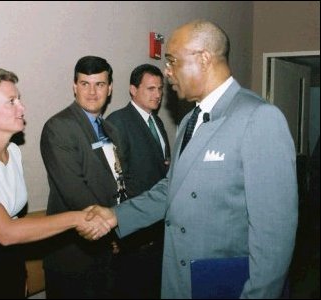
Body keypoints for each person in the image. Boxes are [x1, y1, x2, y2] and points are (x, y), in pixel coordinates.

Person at [81, 20, 298, 298]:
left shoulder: (258, 118)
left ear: (204, 58)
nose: (167, 72)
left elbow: (274, 238)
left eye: (172, 61)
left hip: (227, 285)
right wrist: (116, 215)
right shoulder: (188, 121)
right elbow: (172, 189)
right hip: (181, 279)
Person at [0, 66, 110, 299]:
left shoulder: (12, 152)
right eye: (11, 101)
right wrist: (79, 218)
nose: (22, 108)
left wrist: (20, 277)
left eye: (19, 99)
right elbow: (6, 232)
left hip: (10, 276)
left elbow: (16, 223)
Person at [40, 56, 126, 299]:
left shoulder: (111, 130)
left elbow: (119, 183)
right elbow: (75, 191)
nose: (91, 91)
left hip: (108, 252)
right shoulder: (59, 127)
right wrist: (114, 228)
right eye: (85, 83)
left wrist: (122, 227)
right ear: (74, 86)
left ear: (109, 89)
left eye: (99, 84)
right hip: (73, 255)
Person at [106, 63, 170, 299]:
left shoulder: (157, 122)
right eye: (150, 89)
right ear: (133, 90)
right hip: (133, 229)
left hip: (157, 226)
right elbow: (114, 178)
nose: (157, 95)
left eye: (160, 89)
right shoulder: (118, 121)